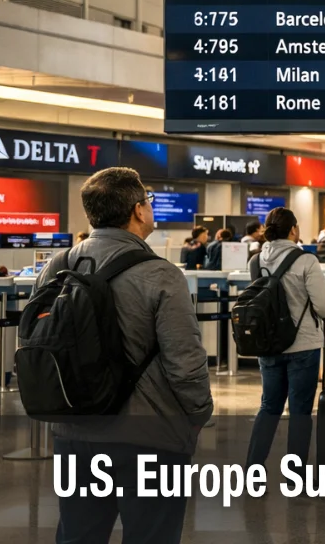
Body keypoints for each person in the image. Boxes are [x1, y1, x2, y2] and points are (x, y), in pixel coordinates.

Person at [39, 168, 212, 544]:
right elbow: (185, 362)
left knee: (78, 535)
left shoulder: (58, 266)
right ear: (138, 210)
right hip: (151, 436)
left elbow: (37, 344)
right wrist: (198, 415)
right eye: (148, 201)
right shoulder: (161, 275)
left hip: (73, 431)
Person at [246, 207, 325, 470]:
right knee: (300, 412)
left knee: (269, 406)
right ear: (293, 229)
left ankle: (253, 469)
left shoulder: (255, 261)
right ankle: (295, 475)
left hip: (269, 344)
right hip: (303, 345)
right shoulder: (306, 260)